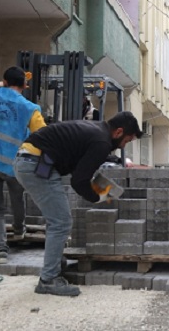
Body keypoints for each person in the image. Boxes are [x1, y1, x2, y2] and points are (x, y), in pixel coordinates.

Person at [13, 111, 143, 297]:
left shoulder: (97, 130)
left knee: (55, 219)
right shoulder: (102, 141)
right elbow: (79, 181)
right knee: (61, 222)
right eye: (126, 141)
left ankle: (54, 262)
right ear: (119, 132)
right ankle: (48, 280)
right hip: (36, 164)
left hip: (31, 159)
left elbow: (82, 157)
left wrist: (113, 162)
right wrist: (98, 197)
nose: (123, 145)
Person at [0, 66, 45, 264]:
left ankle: (0, 250)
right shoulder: (30, 108)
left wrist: (5, 81)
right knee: (17, 198)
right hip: (13, 164)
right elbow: (43, 135)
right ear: (25, 85)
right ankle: (18, 229)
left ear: (5, 82)